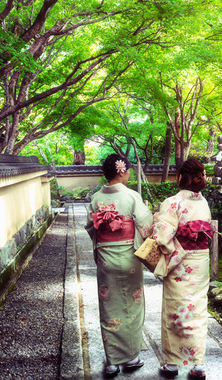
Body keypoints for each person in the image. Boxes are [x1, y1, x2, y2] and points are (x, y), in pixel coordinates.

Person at [86, 153, 154, 377]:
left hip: (106, 259)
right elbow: (146, 228)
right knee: (132, 306)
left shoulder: (96, 199)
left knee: (109, 307)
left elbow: (91, 228)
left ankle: (112, 361)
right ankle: (132, 357)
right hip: (130, 259)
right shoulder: (133, 197)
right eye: (129, 170)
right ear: (122, 171)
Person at [153, 159, 212, 379]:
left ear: (180, 177)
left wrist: (171, 251)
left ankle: (172, 363)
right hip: (200, 262)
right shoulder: (203, 202)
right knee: (197, 311)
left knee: (176, 309)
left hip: (180, 263)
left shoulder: (172, 202)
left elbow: (162, 237)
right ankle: (198, 365)